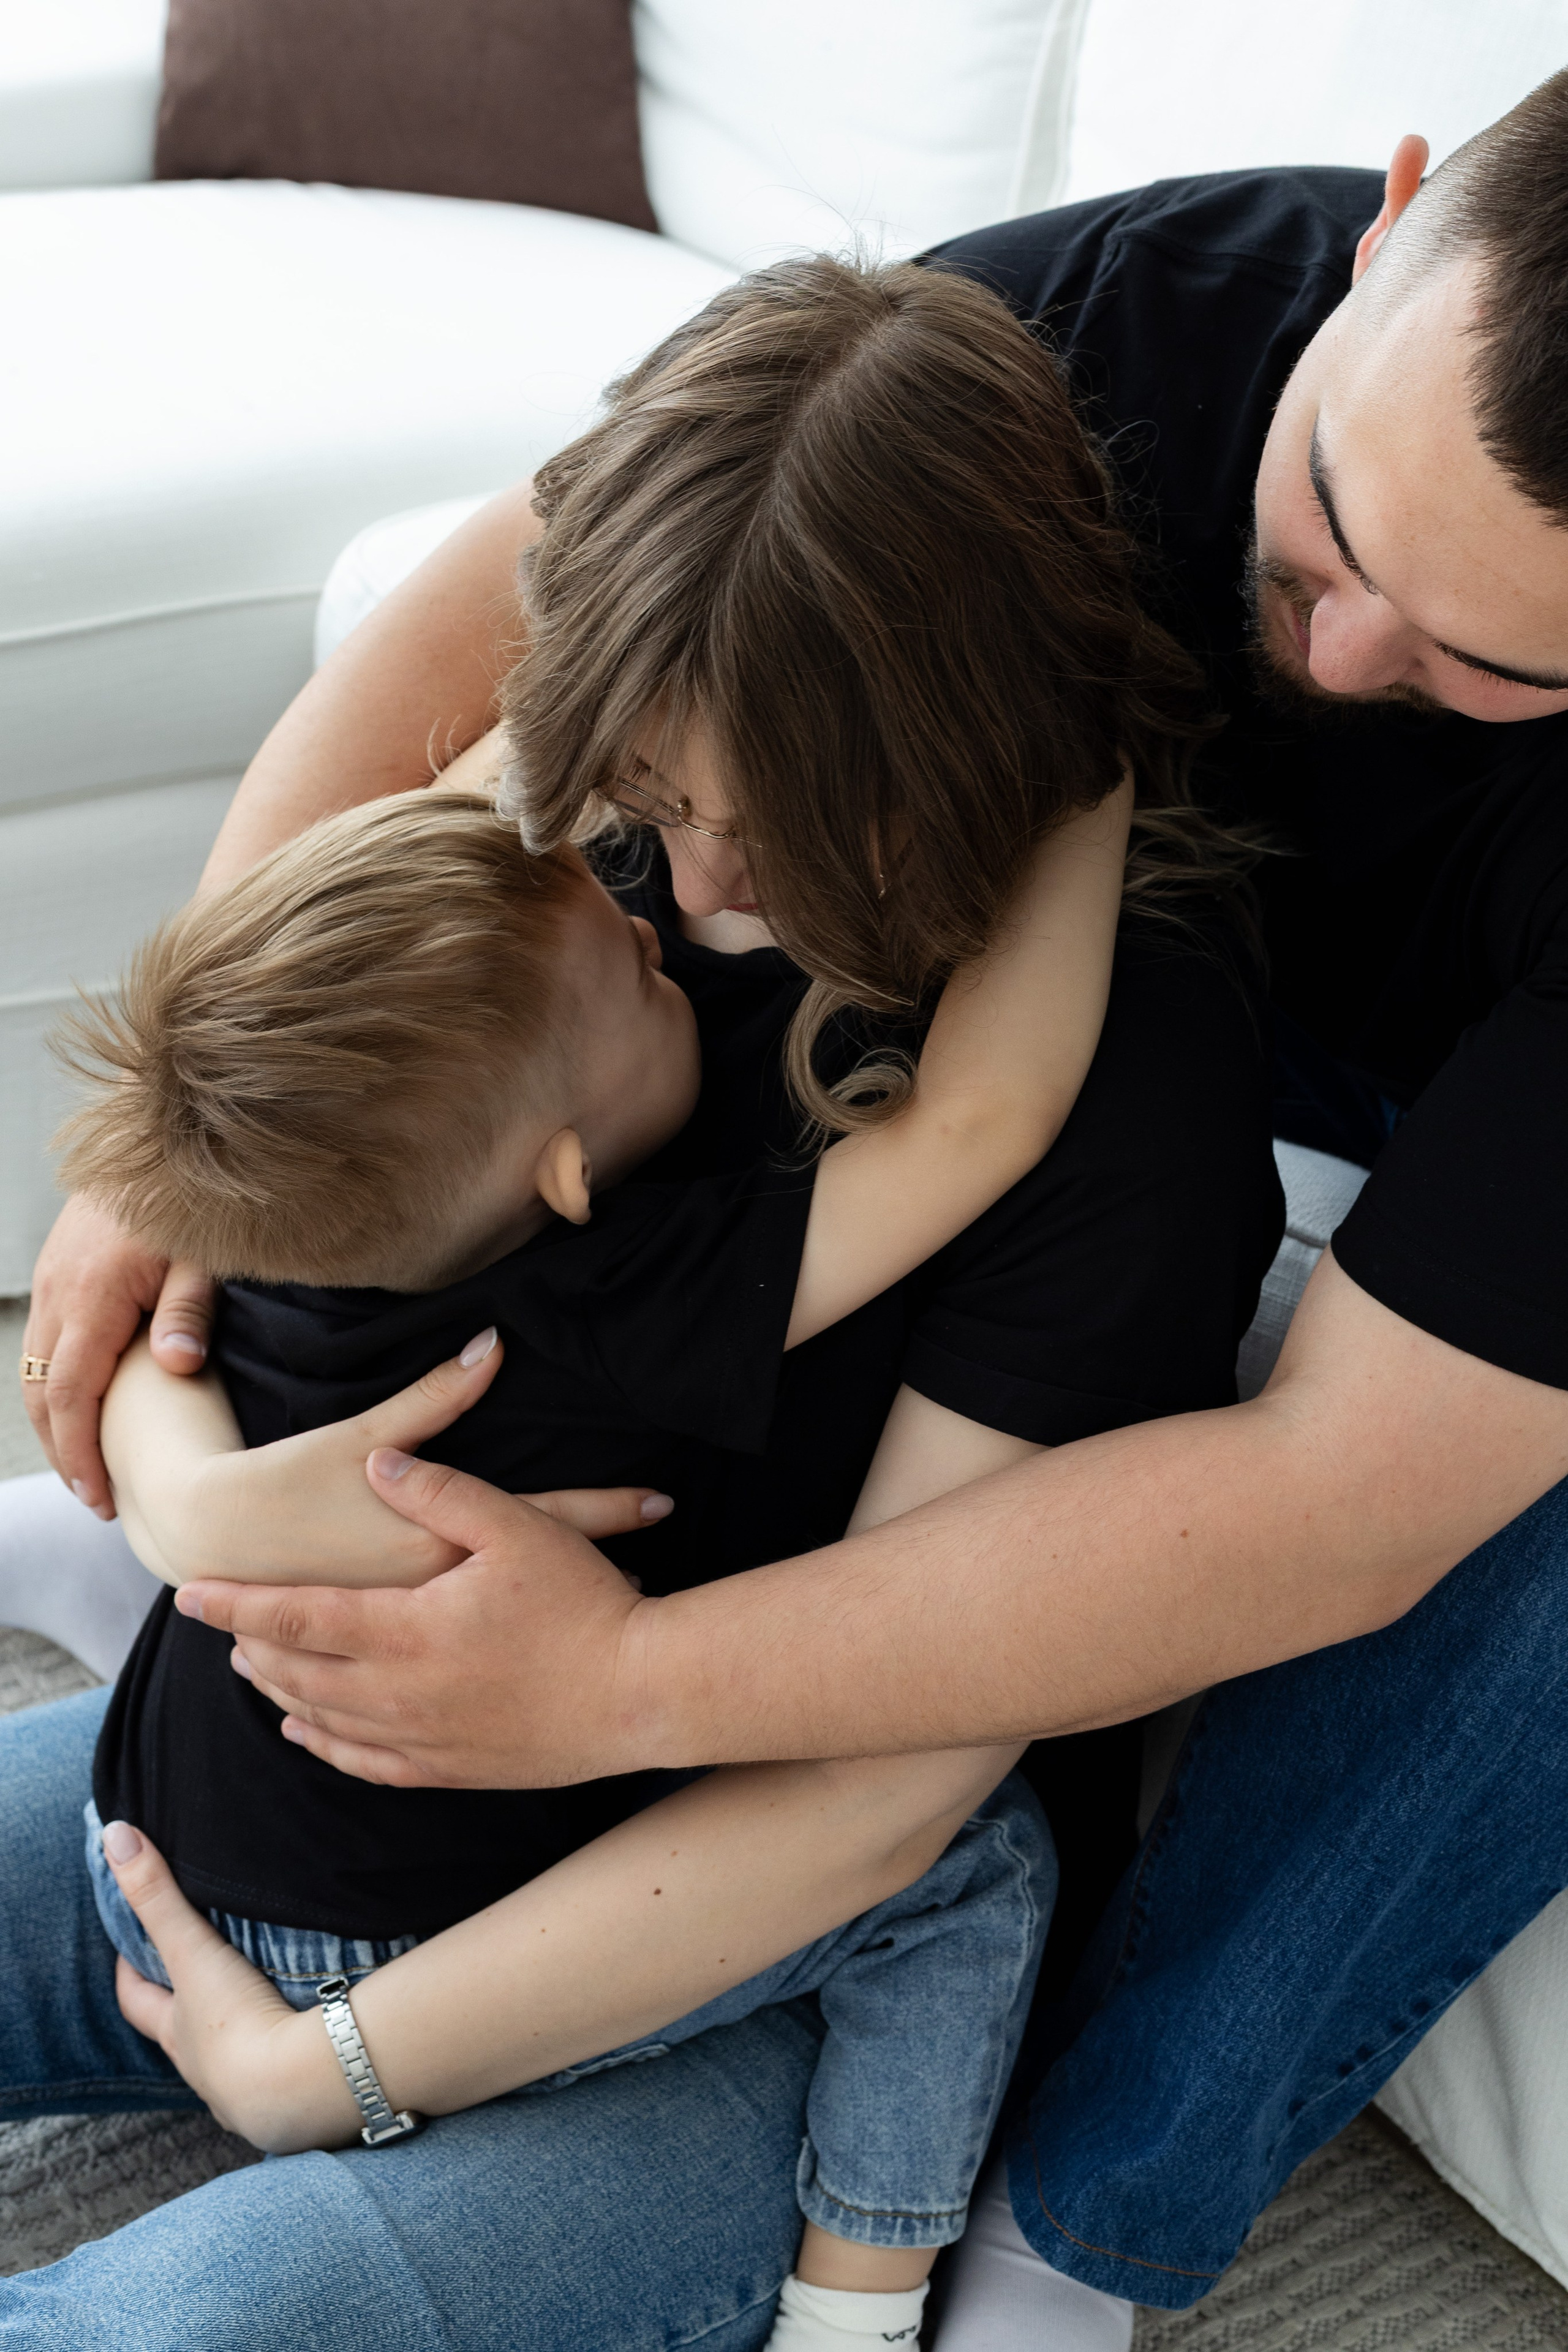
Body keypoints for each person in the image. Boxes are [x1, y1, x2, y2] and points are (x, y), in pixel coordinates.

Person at [0, 253, 1277, 2347]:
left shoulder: (1123, 1103)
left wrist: (337, 2069)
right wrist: (201, 1511)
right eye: (648, 806)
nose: (673, 898)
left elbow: (892, 1794)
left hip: (724, 1951)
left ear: (975, 757)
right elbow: (223, 1240)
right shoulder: (579, 846)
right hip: (296, 1802)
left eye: (760, 839)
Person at [58, 725, 1126, 2345]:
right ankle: (864, 2308)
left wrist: (183, 1505)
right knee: (980, 1864)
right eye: (631, 975)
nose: (653, 926)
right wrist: (1086, 775)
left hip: (156, 1829)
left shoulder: (293, 1193)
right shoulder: (617, 1297)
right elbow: (986, 1114)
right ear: (561, 1175)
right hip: (402, 1935)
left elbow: (163, 1359)